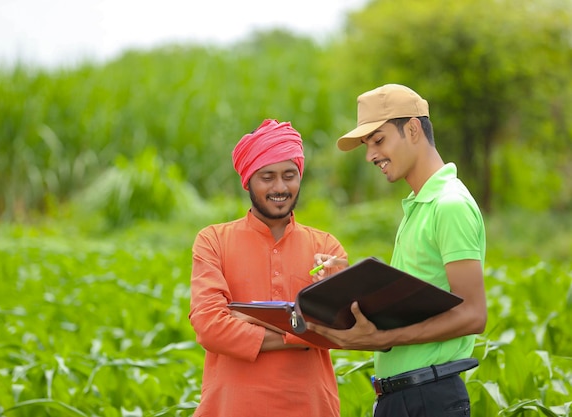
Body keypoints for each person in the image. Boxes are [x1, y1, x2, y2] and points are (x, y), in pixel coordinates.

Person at [308, 84, 487, 416]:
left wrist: (381, 338)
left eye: (378, 140)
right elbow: (415, 303)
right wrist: (347, 287)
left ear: (414, 129)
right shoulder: (418, 206)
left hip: (429, 398)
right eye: (367, 145)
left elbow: (473, 315)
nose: (371, 155)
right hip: (402, 396)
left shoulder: (449, 205)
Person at [189, 119, 347, 417]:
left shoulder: (326, 248)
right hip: (231, 408)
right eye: (267, 177)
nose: (280, 187)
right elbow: (209, 327)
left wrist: (247, 316)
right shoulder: (213, 241)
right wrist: (302, 335)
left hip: (311, 408)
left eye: (290, 175)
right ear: (248, 180)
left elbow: (337, 330)